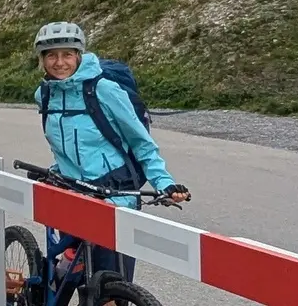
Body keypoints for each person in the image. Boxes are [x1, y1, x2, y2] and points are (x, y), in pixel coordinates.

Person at [30, 21, 190, 291]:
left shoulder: (103, 90)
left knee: (110, 287)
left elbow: (141, 142)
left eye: (67, 54)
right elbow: (65, 145)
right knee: (76, 279)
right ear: (42, 60)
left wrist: (164, 183)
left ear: (79, 56)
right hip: (71, 194)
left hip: (113, 196)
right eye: (51, 55)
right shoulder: (44, 95)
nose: (59, 62)